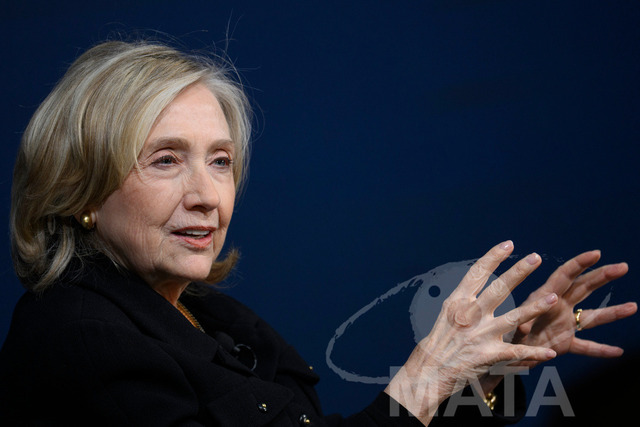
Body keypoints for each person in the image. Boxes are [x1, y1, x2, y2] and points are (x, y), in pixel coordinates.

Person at [0, 39, 635, 426]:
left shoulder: (211, 319)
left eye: (220, 161)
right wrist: (423, 376)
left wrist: (486, 372)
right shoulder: (80, 337)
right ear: (81, 188)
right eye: (165, 160)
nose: (207, 196)